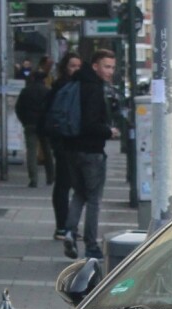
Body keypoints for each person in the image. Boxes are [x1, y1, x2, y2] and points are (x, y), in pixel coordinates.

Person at [62, 48, 118, 260]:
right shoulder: (94, 88)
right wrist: (109, 131)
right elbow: (91, 124)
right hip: (91, 151)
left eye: (112, 67)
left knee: (79, 193)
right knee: (94, 199)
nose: (110, 71)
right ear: (95, 66)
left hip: (71, 149)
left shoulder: (74, 82)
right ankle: (91, 245)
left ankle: (69, 231)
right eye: (106, 66)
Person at [45, 52, 82, 240]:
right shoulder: (62, 87)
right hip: (64, 142)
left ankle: (68, 226)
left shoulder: (74, 86)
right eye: (72, 66)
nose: (76, 69)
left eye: (78, 66)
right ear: (65, 68)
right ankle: (63, 227)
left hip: (70, 142)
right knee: (64, 184)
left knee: (70, 184)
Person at [14, 57, 54, 188]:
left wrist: (24, 121)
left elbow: (18, 107)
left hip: (30, 123)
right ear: (43, 80)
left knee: (31, 152)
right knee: (47, 150)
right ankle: (50, 177)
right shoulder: (47, 91)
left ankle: (33, 179)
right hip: (44, 124)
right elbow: (52, 109)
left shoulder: (26, 91)